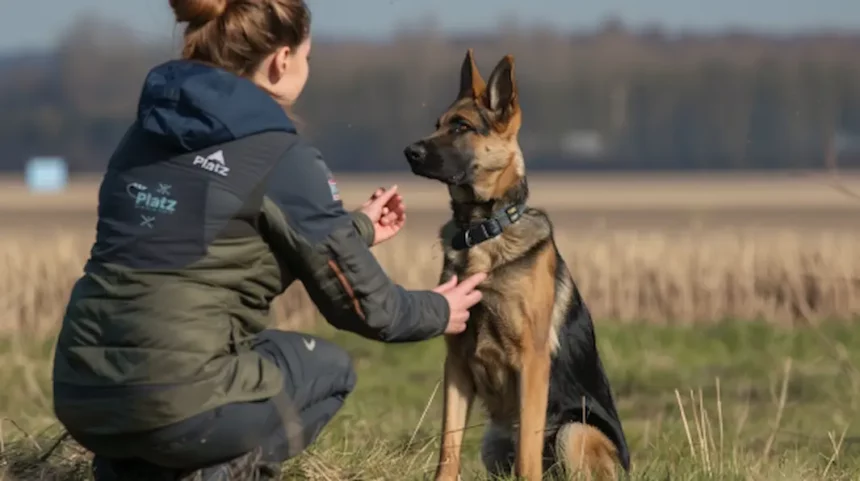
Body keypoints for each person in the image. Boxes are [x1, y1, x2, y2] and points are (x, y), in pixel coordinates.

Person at [50, 0, 487, 479]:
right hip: (179, 402)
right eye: (307, 58)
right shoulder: (280, 154)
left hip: (83, 393)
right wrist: (438, 310)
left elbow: (213, 243)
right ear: (281, 62)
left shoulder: (144, 136)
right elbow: (367, 308)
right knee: (329, 372)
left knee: (167, 396)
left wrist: (355, 228)